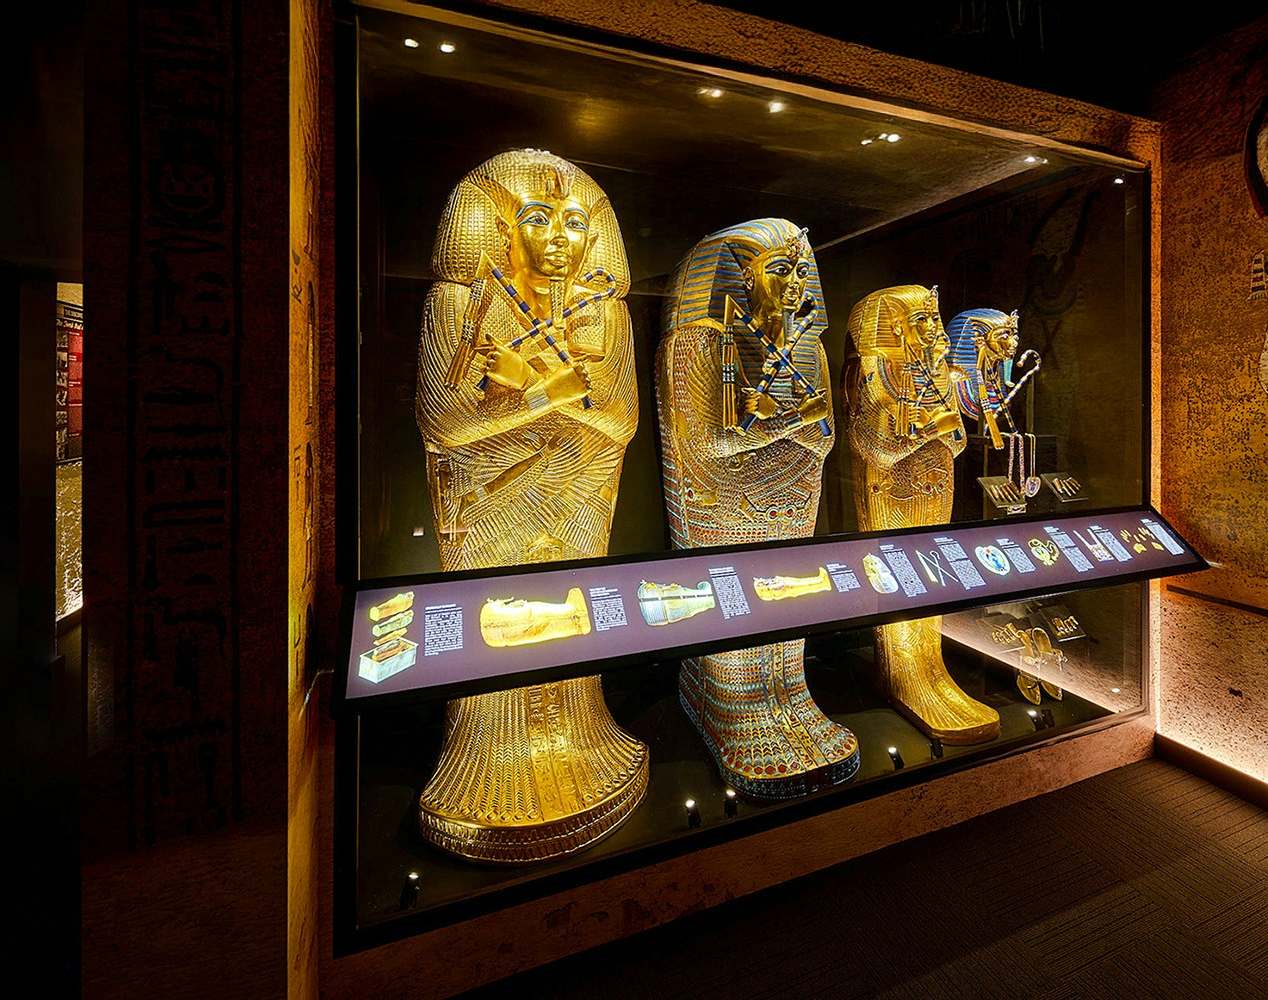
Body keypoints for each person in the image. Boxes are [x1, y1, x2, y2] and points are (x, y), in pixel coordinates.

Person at [413, 149, 647, 863]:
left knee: (570, 609)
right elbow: (444, 418)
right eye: (538, 219)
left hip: (579, 488)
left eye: (575, 222)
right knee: (500, 618)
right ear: (497, 231)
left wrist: (532, 386)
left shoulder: (604, 312)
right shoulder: (462, 303)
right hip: (491, 499)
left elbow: (621, 418)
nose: (559, 238)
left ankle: (583, 728)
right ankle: (485, 749)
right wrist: (557, 392)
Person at [657, 218, 859, 798]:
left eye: (801, 271)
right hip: (724, 496)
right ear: (741, 277)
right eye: (779, 270)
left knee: (789, 594)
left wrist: (778, 423)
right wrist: (790, 422)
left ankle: (790, 693)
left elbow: (825, 438)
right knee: (735, 598)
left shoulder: (807, 345)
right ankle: (726, 701)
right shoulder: (701, 341)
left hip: (794, 491)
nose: (795, 283)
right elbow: (709, 444)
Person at [844, 285, 1001, 743]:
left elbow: (957, 442)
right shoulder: (875, 372)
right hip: (889, 491)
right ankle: (901, 672)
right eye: (923, 320)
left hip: (935, 485)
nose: (935, 328)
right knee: (897, 578)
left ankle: (931, 668)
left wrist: (928, 430)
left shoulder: (939, 374)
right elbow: (876, 448)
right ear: (895, 327)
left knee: (932, 576)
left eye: (935, 318)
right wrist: (927, 431)